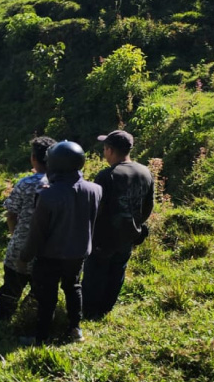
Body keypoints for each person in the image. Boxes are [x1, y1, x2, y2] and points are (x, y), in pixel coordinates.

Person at [18, 141, 101, 345]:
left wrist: (25, 256)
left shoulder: (47, 195)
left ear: (54, 164)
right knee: (73, 287)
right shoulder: (95, 189)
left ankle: (41, 337)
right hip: (79, 252)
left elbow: (37, 233)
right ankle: (75, 329)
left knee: (47, 295)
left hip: (50, 254)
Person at [84, 130, 154, 320]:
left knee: (95, 273)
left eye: (104, 149)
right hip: (128, 235)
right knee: (117, 272)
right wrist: (136, 224)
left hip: (104, 236)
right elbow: (148, 206)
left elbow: (97, 208)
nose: (104, 153)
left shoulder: (107, 176)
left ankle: (89, 312)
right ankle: (105, 309)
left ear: (110, 150)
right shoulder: (145, 172)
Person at [0, 136, 56, 321]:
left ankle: (1, 320)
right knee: (40, 288)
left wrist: (15, 235)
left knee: (11, 286)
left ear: (33, 158)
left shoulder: (25, 183)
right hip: (49, 249)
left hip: (21, 244)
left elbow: (11, 214)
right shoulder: (60, 184)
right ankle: (29, 317)